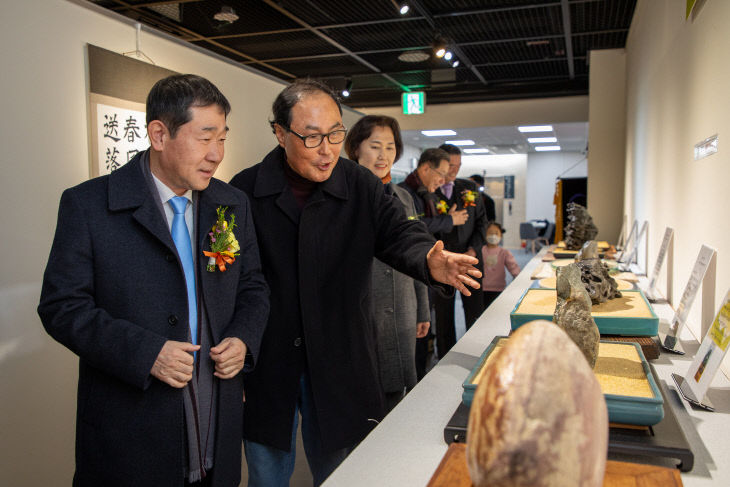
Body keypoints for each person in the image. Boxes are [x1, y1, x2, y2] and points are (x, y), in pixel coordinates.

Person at [229, 79, 481, 487]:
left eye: (334, 133)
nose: (327, 148)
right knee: (266, 469)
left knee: (341, 470)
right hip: (268, 358)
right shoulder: (244, 191)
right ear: (279, 133)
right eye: (312, 137)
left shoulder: (359, 185)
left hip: (338, 354)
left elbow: (399, 233)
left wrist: (428, 259)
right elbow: (228, 282)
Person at [38, 74, 270, 487]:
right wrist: (147, 353)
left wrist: (243, 338)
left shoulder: (230, 204)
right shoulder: (89, 205)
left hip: (215, 416)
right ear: (159, 134)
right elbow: (62, 307)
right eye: (205, 138)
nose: (217, 154)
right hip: (132, 428)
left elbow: (252, 285)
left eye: (223, 138)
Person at [344, 114, 430, 413]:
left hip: (403, 309)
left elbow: (417, 253)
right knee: (362, 396)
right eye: (375, 146)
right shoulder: (342, 194)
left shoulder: (403, 197)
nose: (384, 156)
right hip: (362, 311)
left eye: (391, 147)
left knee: (396, 394)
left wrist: (422, 308)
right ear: (356, 148)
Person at [431, 144, 488, 356]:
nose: (454, 170)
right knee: (443, 314)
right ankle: (445, 355)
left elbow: (482, 222)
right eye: (450, 165)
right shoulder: (430, 191)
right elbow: (423, 226)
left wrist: (472, 251)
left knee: (474, 310)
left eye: (458, 165)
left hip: (470, 260)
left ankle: (477, 353)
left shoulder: (469, 188)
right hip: (441, 263)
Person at [481, 221, 521, 310]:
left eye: (496, 233)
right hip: (482, 289)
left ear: (501, 236)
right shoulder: (480, 250)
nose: (493, 235)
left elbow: (513, 267)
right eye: (490, 233)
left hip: (499, 289)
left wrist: (518, 278)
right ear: (485, 234)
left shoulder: (504, 253)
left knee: (496, 311)